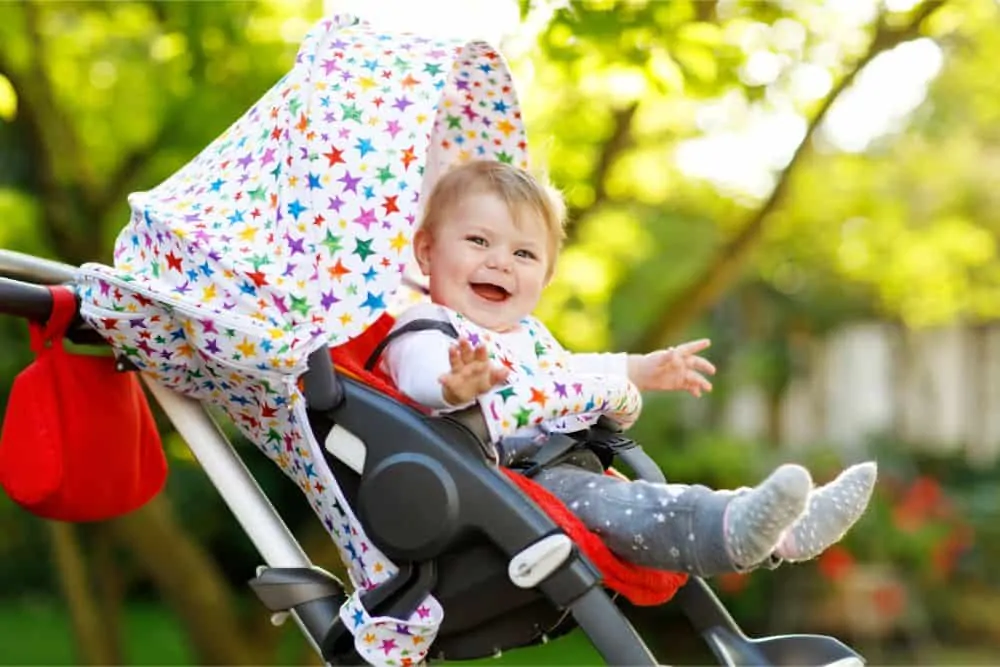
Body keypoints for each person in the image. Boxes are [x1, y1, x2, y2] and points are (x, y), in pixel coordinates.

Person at [380, 160, 876, 577]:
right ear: (426, 251)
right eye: (478, 241)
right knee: (627, 505)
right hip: (501, 489)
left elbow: (571, 367)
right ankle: (734, 532)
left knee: (641, 499)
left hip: (556, 466)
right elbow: (416, 376)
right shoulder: (428, 325)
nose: (501, 263)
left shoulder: (525, 336)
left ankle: (783, 531)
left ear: (546, 276)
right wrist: (451, 387)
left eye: (524, 253)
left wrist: (641, 370)